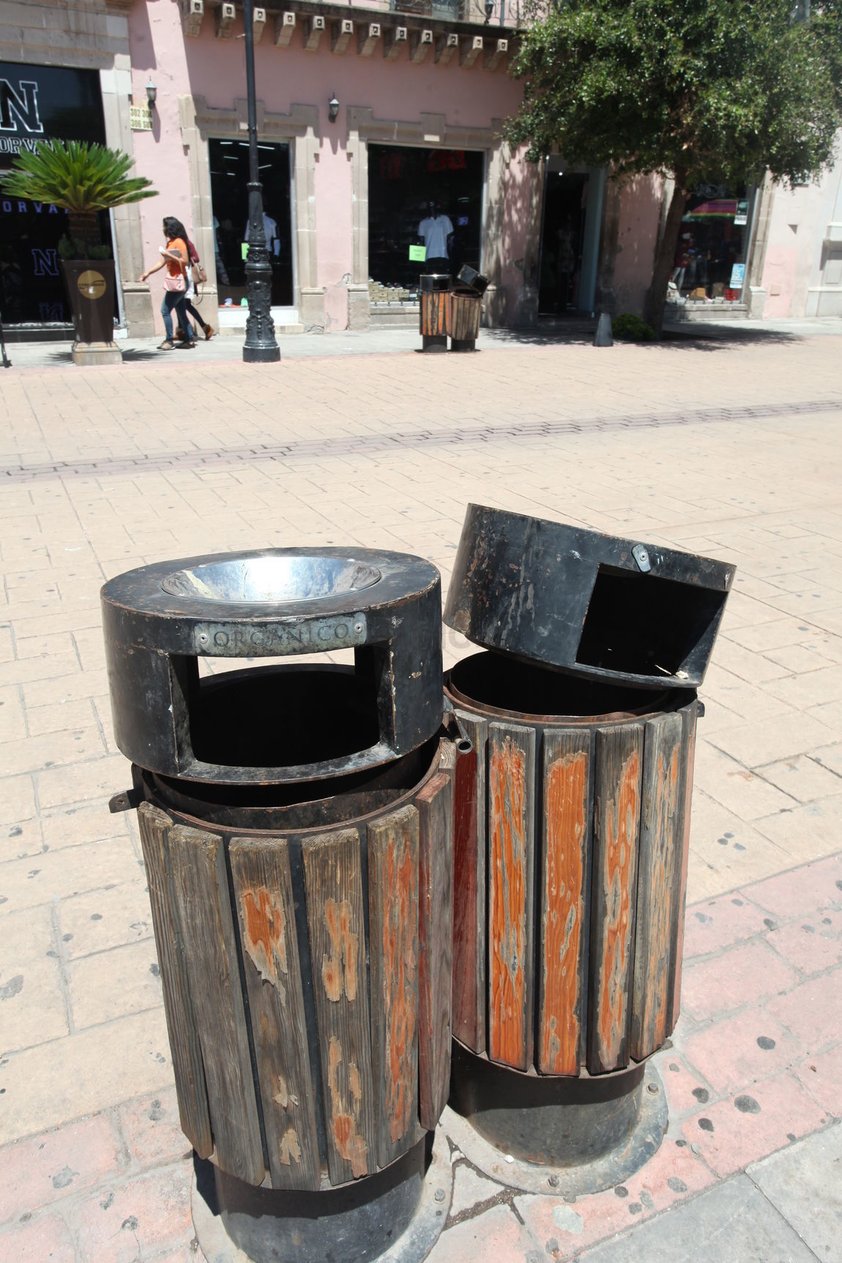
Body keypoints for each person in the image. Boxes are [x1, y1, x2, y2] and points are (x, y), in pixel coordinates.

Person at [139, 215, 197, 350]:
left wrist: (168, 254)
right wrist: (148, 273)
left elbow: (185, 261)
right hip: (175, 281)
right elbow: (162, 262)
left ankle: (169, 340)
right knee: (181, 311)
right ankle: (189, 340)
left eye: (164, 226)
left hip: (179, 281)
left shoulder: (179, 242)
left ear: (170, 228)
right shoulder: (170, 243)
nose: (162, 229)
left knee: (165, 310)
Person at [417, 202, 453, 274]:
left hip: (443, 254)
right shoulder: (423, 223)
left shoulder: (445, 219)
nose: (432, 209)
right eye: (430, 207)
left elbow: (450, 238)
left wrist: (451, 253)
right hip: (429, 255)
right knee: (431, 281)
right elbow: (421, 242)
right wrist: (419, 258)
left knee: (443, 281)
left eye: (433, 207)